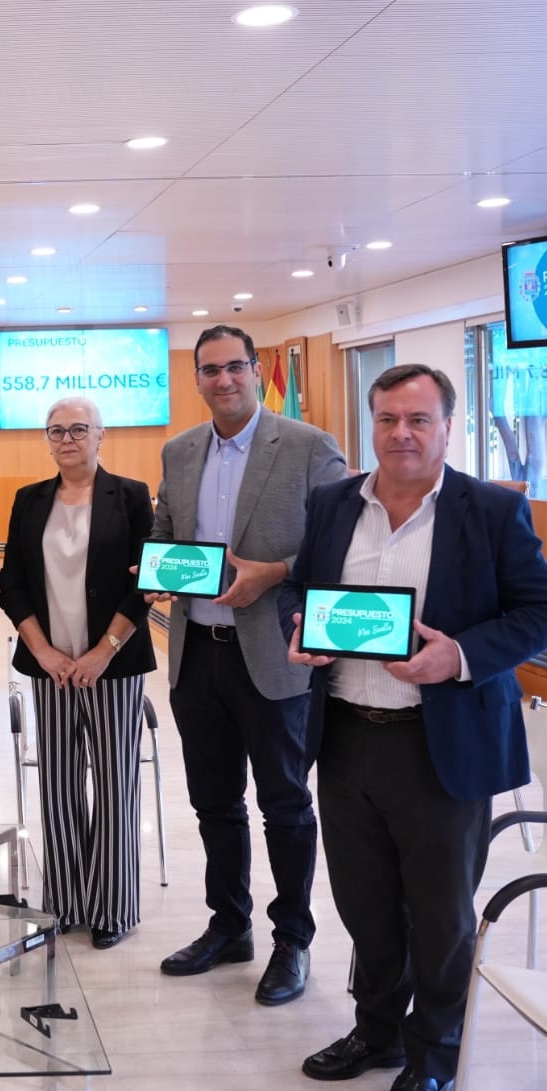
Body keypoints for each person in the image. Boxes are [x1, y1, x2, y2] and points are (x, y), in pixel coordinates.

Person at [283, 364, 547, 1091]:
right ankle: (376, 1031)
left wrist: (460, 656)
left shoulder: (491, 510)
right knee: (366, 905)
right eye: (387, 419)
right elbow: (301, 588)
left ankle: (437, 1053)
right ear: (371, 424)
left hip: (441, 747)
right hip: (346, 737)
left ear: (448, 426)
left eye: (418, 420)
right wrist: (302, 626)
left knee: (441, 917)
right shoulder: (334, 503)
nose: (401, 434)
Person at [151, 324, 347, 1006]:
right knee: (214, 802)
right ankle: (229, 925)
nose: (224, 380)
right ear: (197, 380)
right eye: (210, 370)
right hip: (196, 653)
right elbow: (166, 533)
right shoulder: (178, 451)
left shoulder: (308, 445)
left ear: (256, 371)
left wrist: (275, 573)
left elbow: (339, 543)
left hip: (274, 658)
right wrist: (156, 569)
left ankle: (292, 939)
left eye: (235, 367)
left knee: (284, 804)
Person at [0, 396, 156, 948]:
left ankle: (113, 907)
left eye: (78, 429)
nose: (67, 439)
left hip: (113, 665)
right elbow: (13, 584)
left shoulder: (130, 496)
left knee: (115, 787)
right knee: (59, 787)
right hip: (52, 668)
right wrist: (42, 651)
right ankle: (64, 903)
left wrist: (103, 651)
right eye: (56, 430)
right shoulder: (29, 499)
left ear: (100, 435)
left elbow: (144, 582)